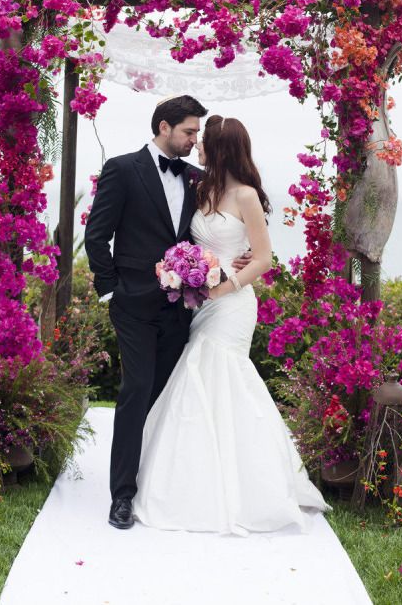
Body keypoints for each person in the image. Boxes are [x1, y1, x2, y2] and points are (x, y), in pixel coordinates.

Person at [132, 115, 329, 535]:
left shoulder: (246, 196)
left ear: (221, 149)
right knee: (199, 379)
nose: (197, 146)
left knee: (215, 373)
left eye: (204, 142)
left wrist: (225, 285)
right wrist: (184, 274)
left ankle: (244, 488)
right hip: (198, 302)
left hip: (233, 303)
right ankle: (192, 480)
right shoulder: (199, 187)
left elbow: (262, 258)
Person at [84, 96, 251, 530]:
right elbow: (97, 235)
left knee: (170, 397)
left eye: (198, 133)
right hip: (133, 305)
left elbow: (215, 233)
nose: (196, 139)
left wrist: (239, 257)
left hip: (184, 310)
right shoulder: (123, 169)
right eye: (190, 132)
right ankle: (122, 495)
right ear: (164, 127)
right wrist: (110, 292)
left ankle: (162, 486)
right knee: (136, 391)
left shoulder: (199, 180)